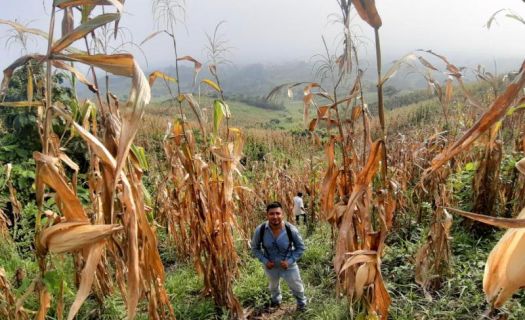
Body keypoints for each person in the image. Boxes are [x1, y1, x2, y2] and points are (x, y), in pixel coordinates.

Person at [251, 202, 307, 311]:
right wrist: (265, 261)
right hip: (270, 266)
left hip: (288, 266)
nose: (275, 217)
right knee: (273, 286)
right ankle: (276, 301)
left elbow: (300, 247)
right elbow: (254, 248)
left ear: (282, 214)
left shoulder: (291, 230)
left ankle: (302, 304)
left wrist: (289, 261)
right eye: (271, 214)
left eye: (278, 213)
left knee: (296, 285)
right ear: (267, 215)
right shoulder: (261, 230)